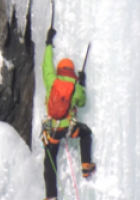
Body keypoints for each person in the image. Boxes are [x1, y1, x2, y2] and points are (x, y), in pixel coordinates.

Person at [41, 27, 96, 200]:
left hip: (53, 132)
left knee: (50, 160)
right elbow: (82, 101)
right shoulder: (75, 88)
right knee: (86, 133)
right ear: (71, 72)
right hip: (70, 130)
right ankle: (86, 165)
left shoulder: (52, 81)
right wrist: (82, 83)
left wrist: (49, 43)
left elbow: (46, 64)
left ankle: (51, 196)